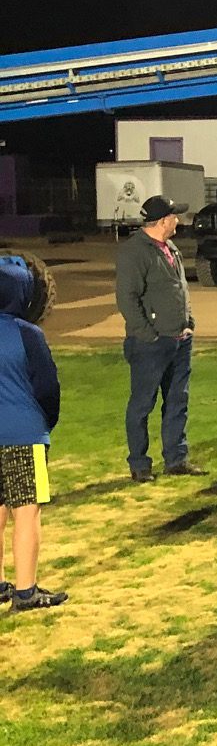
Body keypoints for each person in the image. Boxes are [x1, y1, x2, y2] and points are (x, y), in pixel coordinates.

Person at [115, 194, 204, 481]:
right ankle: (140, 464)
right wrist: (148, 334)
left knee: (178, 400)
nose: (178, 220)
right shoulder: (135, 252)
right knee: (142, 404)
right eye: (175, 216)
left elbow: (180, 288)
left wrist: (188, 321)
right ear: (164, 220)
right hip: (151, 344)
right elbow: (127, 298)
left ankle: (176, 458)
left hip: (179, 339)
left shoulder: (170, 247)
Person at [0, 253, 65, 612]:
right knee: (26, 510)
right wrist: (46, 422)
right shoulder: (27, 334)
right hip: (23, 435)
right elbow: (47, 388)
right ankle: (26, 591)